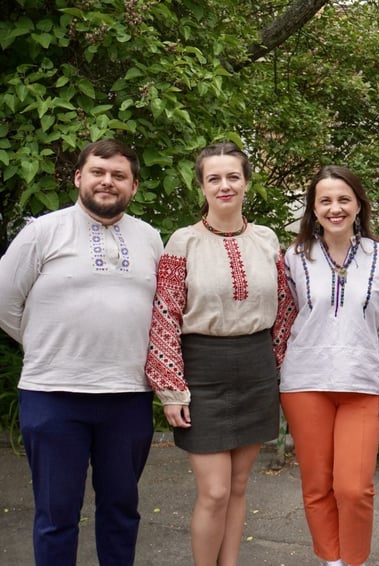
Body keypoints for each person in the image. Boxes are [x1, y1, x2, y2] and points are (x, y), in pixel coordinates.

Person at [0, 139, 163, 566]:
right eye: (98, 172)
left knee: (121, 512)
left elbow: (162, 312)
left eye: (119, 175)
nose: (107, 181)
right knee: (56, 516)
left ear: (133, 185)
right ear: (78, 177)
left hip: (128, 396)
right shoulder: (43, 232)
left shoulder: (150, 238)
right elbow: (4, 302)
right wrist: (45, 343)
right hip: (53, 395)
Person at [144, 142, 296, 566]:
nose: (224, 185)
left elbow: (285, 307)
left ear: (246, 182)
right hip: (203, 372)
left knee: (239, 486)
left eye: (233, 177)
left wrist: (277, 367)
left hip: (256, 370)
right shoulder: (183, 242)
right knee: (214, 491)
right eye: (214, 178)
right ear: (202, 186)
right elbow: (165, 316)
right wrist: (171, 389)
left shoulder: (266, 239)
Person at [280, 165, 379, 566]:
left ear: (358, 205)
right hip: (305, 382)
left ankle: (353, 560)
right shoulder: (294, 257)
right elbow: (284, 319)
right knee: (317, 485)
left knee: (354, 489)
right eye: (325, 201)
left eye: (343, 199)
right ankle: (331, 561)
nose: (334, 208)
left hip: (363, 383)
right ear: (313, 208)